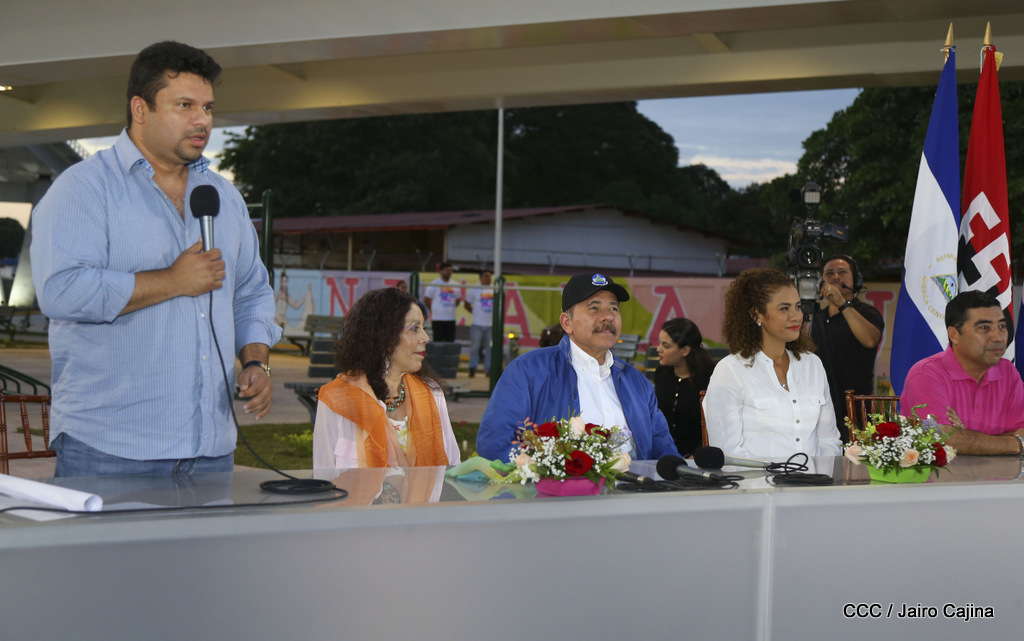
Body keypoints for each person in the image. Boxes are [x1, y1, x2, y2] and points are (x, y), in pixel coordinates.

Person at [30, 41, 280, 477]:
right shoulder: (84, 188)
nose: (202, 120)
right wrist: (173, 280)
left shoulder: (223, 197)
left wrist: (256, 360)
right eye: (185, 105)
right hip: (110, 451)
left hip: (210, 452)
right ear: (140, 109)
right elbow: (60, 291)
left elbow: (251, 292)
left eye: (207, 107)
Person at [477, 272, 679, 463]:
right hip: (554, 489)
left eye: (613, 309)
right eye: (594, 308)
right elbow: (494, 444)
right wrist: (543, 470)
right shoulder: (528, 371)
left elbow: (663, 449)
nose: (607, 317)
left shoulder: (637, 381)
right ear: (567, 322)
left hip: (637, 488)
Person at [313, 287, 461, 468]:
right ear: (384, 336)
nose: (425, 338)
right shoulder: (335, 400)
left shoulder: (432, 394)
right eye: (414, 328)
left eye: (424, 328)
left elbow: (452, 468)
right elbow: (323, 476)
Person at [703, 268, 842, 460]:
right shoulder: (730, 371)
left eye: (798, 306)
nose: (796, 316)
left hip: (815, 478)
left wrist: (823, 476)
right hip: (756, 480)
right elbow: (728, 454)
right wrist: (775, 476)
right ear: (756, 314)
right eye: (784, 308)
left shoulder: (812, 364)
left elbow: (829, 441)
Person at [901, 290, 1024, 455]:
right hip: (940, 472)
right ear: (954, 335)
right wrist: (1015, 443)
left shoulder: (1007, 372)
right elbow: (940, 439)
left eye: (1002, 326)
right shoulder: (927, 374)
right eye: (984, 328)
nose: (998, 337)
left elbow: (1022, 432)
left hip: (1002, 471)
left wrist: (963, 435)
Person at [809, 254, 884, 439]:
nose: (835, 277)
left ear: (856, 279)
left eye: (842, 272)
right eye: (829, 273)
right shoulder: (816, 317)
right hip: (820, 408)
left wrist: (842, 304)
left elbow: (870, 340)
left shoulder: (866, 312)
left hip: (856, 410)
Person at [654, 318, 715, 457]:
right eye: (659, 343)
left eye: (666, 345)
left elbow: (716, 424)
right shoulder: (662, 373)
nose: (659, 349)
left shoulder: (710, 378)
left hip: (697, 457)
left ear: (685, 350)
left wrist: (696, 454)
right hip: (665, 455)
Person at [463, 268, 494, 377]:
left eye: (489, 276)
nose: (488, 278)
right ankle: (472, 368)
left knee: (489, 349)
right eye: (486, 276)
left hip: (490, 325)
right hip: (477, 324)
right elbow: (466, 304)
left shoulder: (494, 289)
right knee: (474, 348)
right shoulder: (475, 289)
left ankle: (488, 370)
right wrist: (475, 312)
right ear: (480, 278)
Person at [423, 261, 459, 342]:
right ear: (440, 271)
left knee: (450, 343)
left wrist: (451, 308)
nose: (449, 272)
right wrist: (432, 310)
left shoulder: (455, 284)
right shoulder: (434, 284)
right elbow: (426, 299)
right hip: (437, 319)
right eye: (446, 270)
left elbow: (458, 299)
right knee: (438, 343)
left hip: (450, 319)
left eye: (450, 270)